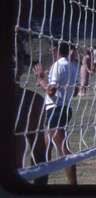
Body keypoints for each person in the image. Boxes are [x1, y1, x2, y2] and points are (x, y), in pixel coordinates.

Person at [34, 41, 78, 184]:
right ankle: (41, 184)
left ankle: (74, 186)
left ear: (56, 49)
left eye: (51, 47)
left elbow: (51, 91)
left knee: (62, 150)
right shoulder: (72, 65)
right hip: (64, 108)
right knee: (44, 149)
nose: (50, 50)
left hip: (56, 110)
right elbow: (76, 91)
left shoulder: (58, 65)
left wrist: (40, 79)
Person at [16, 41, 49, 185]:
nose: (15, 60)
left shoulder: (33, 102)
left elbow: (39, 155)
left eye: (18, 55)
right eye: (9, 54)